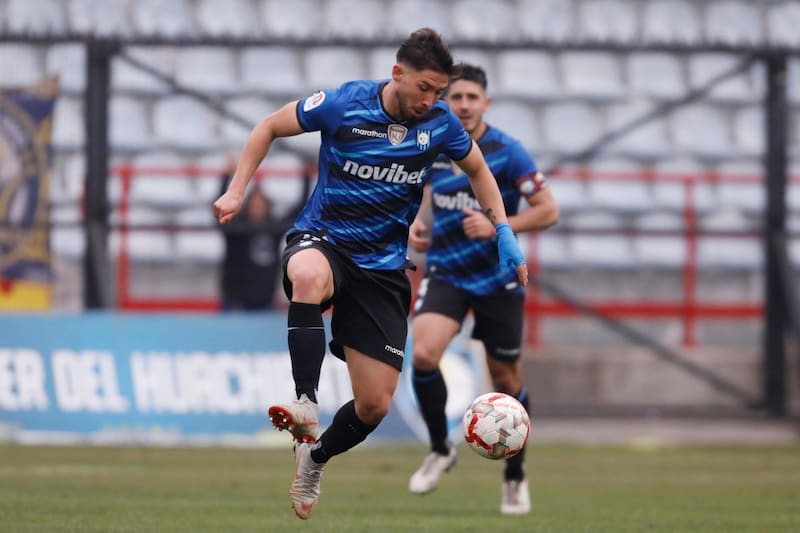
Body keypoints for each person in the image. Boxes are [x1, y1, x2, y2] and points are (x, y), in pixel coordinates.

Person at [213, 29, 528, 520]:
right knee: (308, 278)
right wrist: (237, 191)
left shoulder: (440, 123)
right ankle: (305, 403)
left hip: (382, 269)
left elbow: (479, 170)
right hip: (325, 239)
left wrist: (504, 231)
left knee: (374, 406)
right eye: (424, 87)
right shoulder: (343, 104)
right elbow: (268, 127)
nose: (431, 100)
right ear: (397, 73)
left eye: (438, 92)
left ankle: (314, 458)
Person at [406, 63, 559, 515]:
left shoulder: (508, 152)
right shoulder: (431, 144)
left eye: (472, 97)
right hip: (448, 273)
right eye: (457, 97)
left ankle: (515, 475)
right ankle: (439, 448)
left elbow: (548, 211)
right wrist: (419, 221)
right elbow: (425, 194)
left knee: (508, 382)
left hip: (498, 279)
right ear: (443, 102)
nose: (465, 105)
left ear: (485, 103)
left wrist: (500, 227)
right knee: (423, 354)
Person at [217, 160, 308, 311]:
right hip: (235, 302)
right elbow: (220, 210)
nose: (257, 207)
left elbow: (299, 211)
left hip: (265, 300)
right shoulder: (236, 228)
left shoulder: (272, 229)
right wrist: (226, 177)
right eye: (254, 204)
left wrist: (306, 179)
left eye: (261, 204)